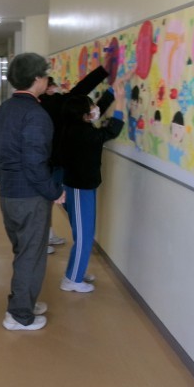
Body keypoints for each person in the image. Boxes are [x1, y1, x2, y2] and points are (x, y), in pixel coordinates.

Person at [0, 53, 65, 331]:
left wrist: (3, 181)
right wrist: (53, 191)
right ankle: (19, 315)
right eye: (45, 75)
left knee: (23, 252)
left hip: (9, 193)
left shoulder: (5, 110)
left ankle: (25, 302)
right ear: (36, 79)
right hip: (30, 196)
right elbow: (34, 163)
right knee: (31, 255)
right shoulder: (36, 114)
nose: (47, 79)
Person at [59, 80, 126, 293]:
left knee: (84, 233)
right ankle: (72, 279)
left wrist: (113, 91)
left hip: (82, 187)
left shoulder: (77, 126)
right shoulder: (81, 133)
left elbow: (100, 109)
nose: (95, 109)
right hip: (79, 189)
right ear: (84, 115)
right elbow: (110, 131)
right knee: (85, 236)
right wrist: (121, 103)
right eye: (91, 107)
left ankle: (76, 271)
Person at [40, 68, 111, 257]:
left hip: (53, 160)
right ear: (46, 88)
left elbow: (87, 108)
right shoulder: (56, 104)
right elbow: (82, 90)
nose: (56, 88)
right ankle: (45, 239)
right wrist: (104, 71)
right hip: (55, 161)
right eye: (52, 85)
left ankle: (47, 236)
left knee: (51, 200)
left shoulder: (45, 104)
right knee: (53, 200)